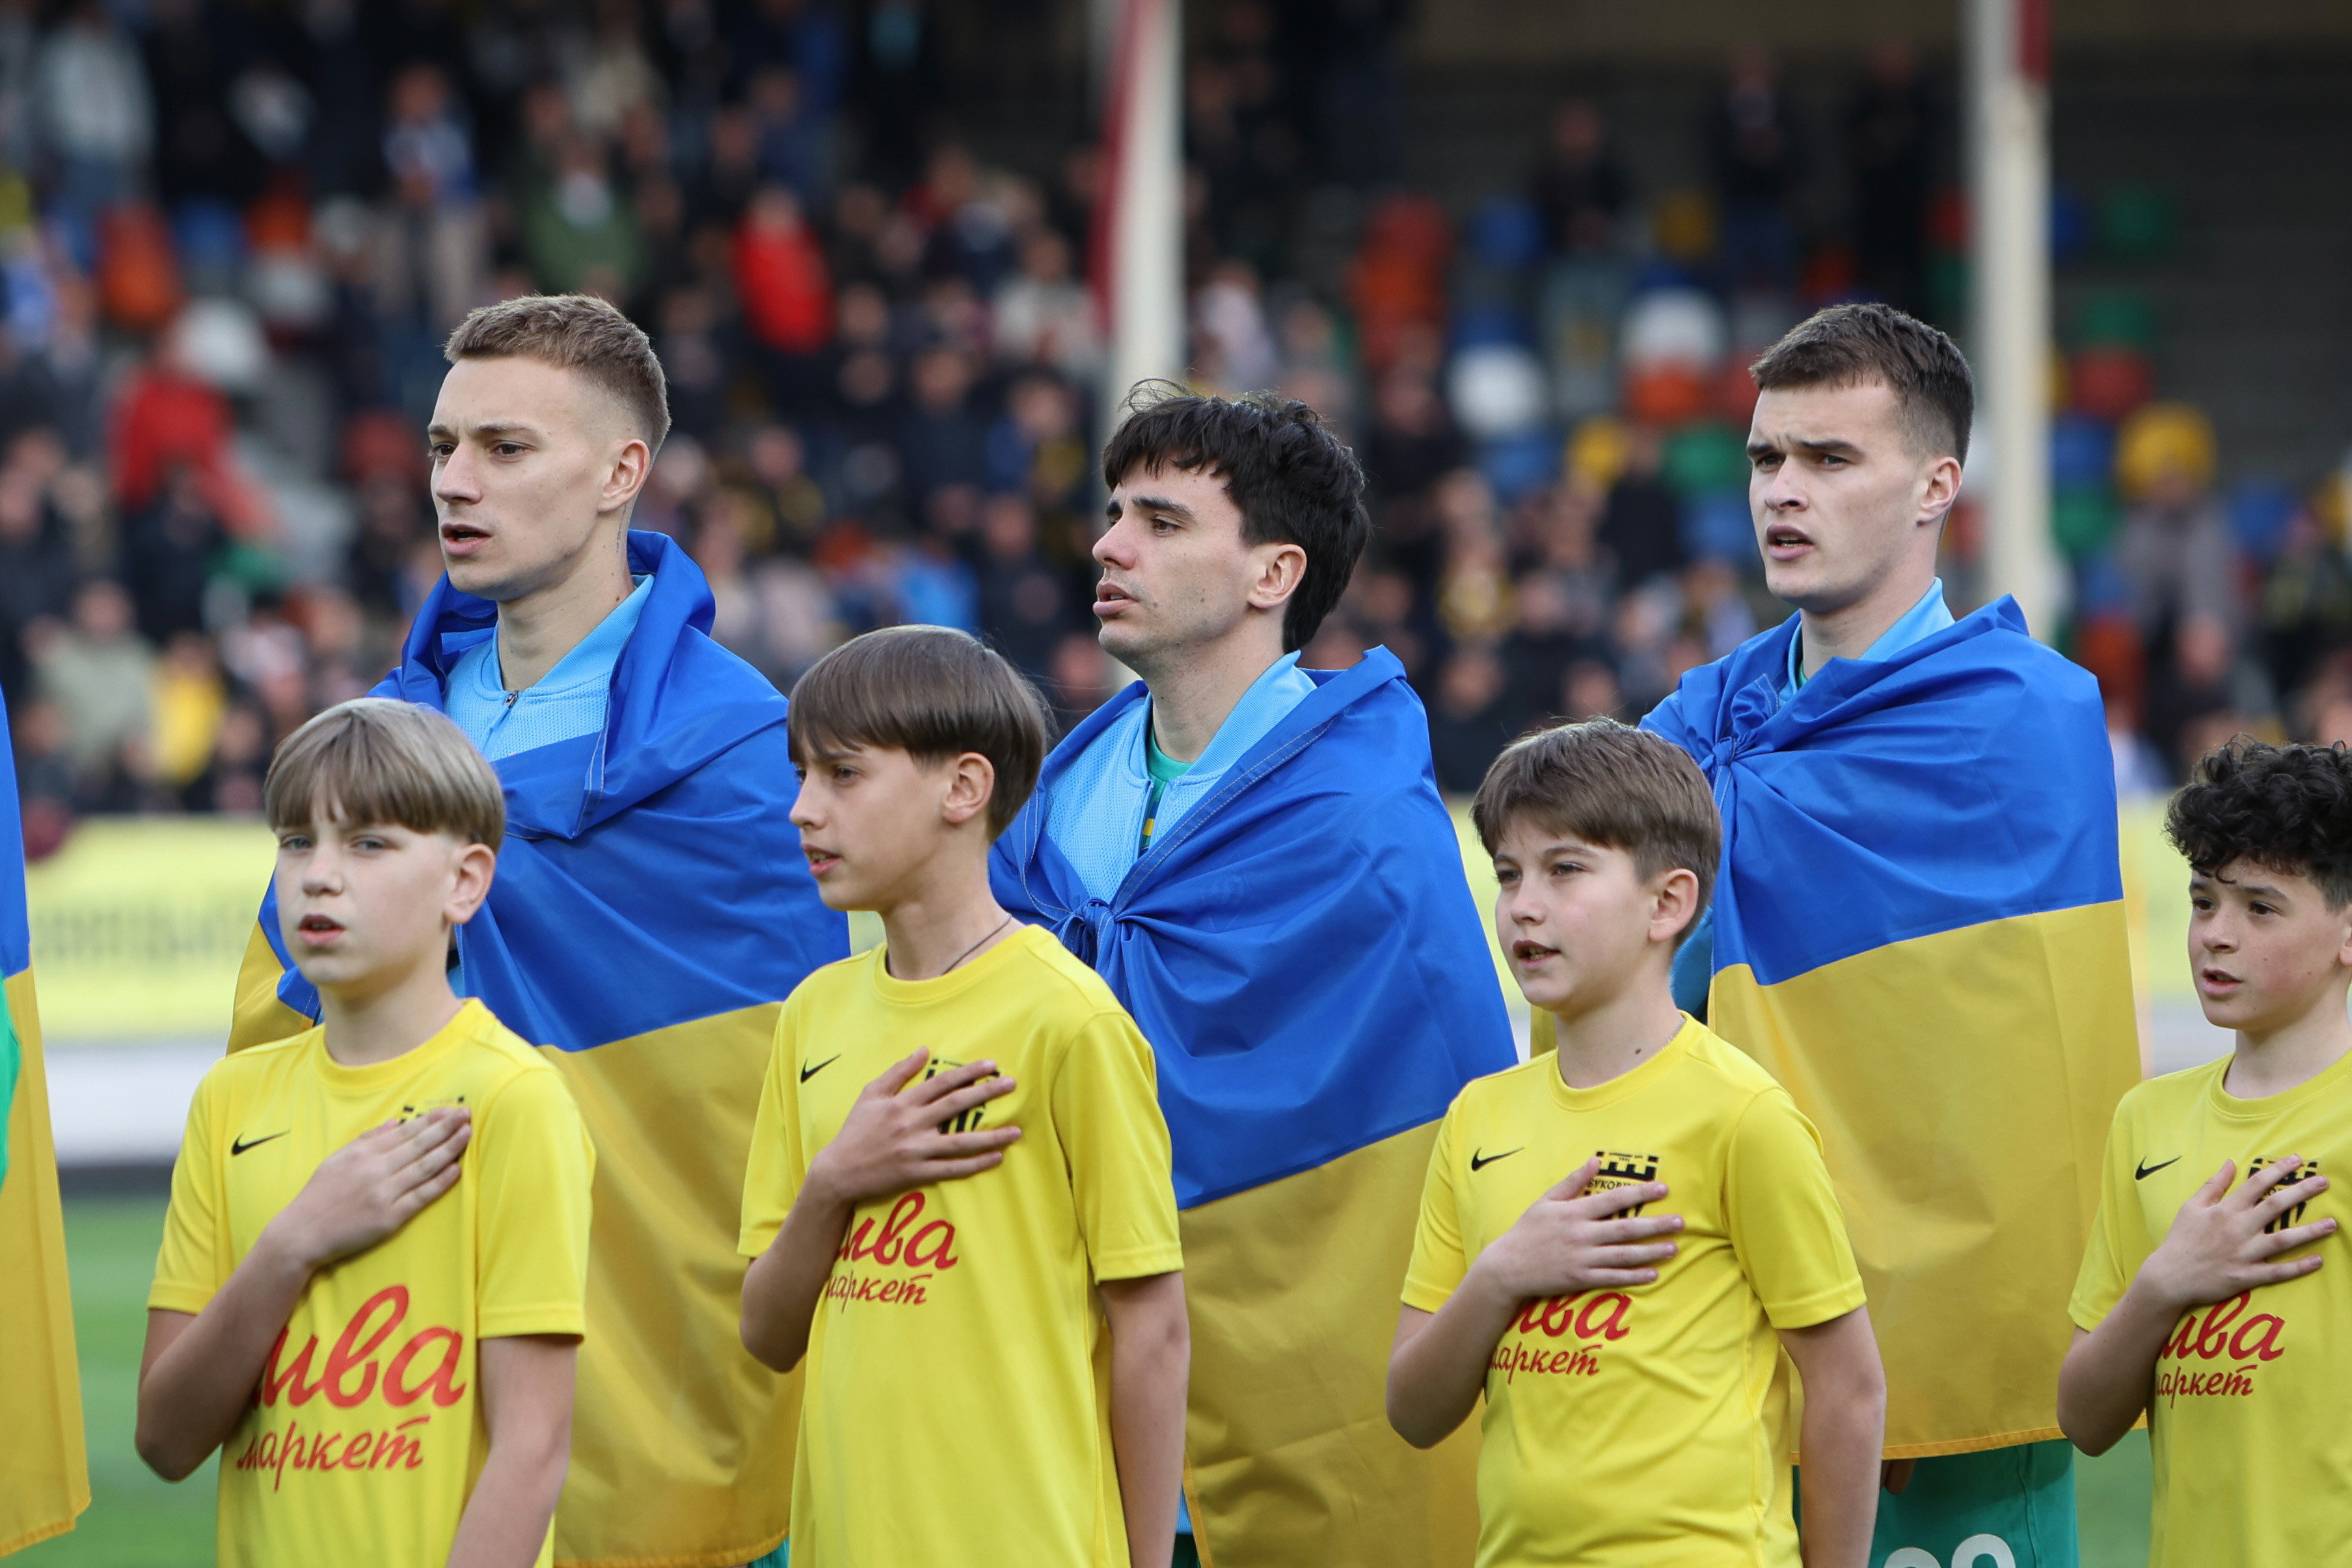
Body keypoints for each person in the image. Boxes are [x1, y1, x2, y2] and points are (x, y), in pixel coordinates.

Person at [228, 294, 848, 1568]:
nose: (455, 482)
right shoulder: (367, 753)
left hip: (670, 1399)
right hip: (385, 1419)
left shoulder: (752, 759)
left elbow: (814, 1099)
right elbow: (267, 1068)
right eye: (443, 446)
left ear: (622, 473)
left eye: (505, 448)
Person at [1637, 303, 2139, 1565]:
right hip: (1717, 1315)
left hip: (1951, 1355)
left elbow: (2021, 1075)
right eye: (1766, 458)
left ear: (1935, 487)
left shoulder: (2026, 718)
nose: (1782, 491)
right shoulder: (1691, 726)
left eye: (1829, 458)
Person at [992, 386, 1516, 1568]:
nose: (1109, 545)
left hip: (1298, 1400)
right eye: (1115, 513)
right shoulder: (1050, 800)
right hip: (1057, 1412)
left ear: (1274, 574)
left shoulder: (1366, 821)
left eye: (1162, 521)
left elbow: (1460, 1125)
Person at [739, 626, 1189, 1567]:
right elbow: (766, 1333)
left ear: (964, 787)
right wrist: (834, 1182)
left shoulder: (1068, 1018)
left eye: (842, 774)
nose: (802, 810)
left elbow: (1152, 1329)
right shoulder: (810, 1016)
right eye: (800, 775)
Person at [1389, 720, 1884, 1567]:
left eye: (1564, 868)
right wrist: (1503, 1273)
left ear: (1668, 903)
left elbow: (1849, 1389)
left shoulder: (1742, 1116)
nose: (1524, 904)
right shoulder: (1476, 1118)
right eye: (1508, 873)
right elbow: (1413, 1409)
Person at [141, 699, 595, 1567]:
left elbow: (531, 1451)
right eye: (296, 840)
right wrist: (291, 1246)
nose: (319, 874)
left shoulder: (513, 1098)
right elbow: (165, 1439)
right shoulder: (231, 1099)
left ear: (465, 881)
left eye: (369, 843)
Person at [2060, 738, 2351, 1565]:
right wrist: (2166, 1283)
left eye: (2260, 908)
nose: (2215, 936)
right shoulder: (2146, 1120)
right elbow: (2084, 1419)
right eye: (2202, 901)